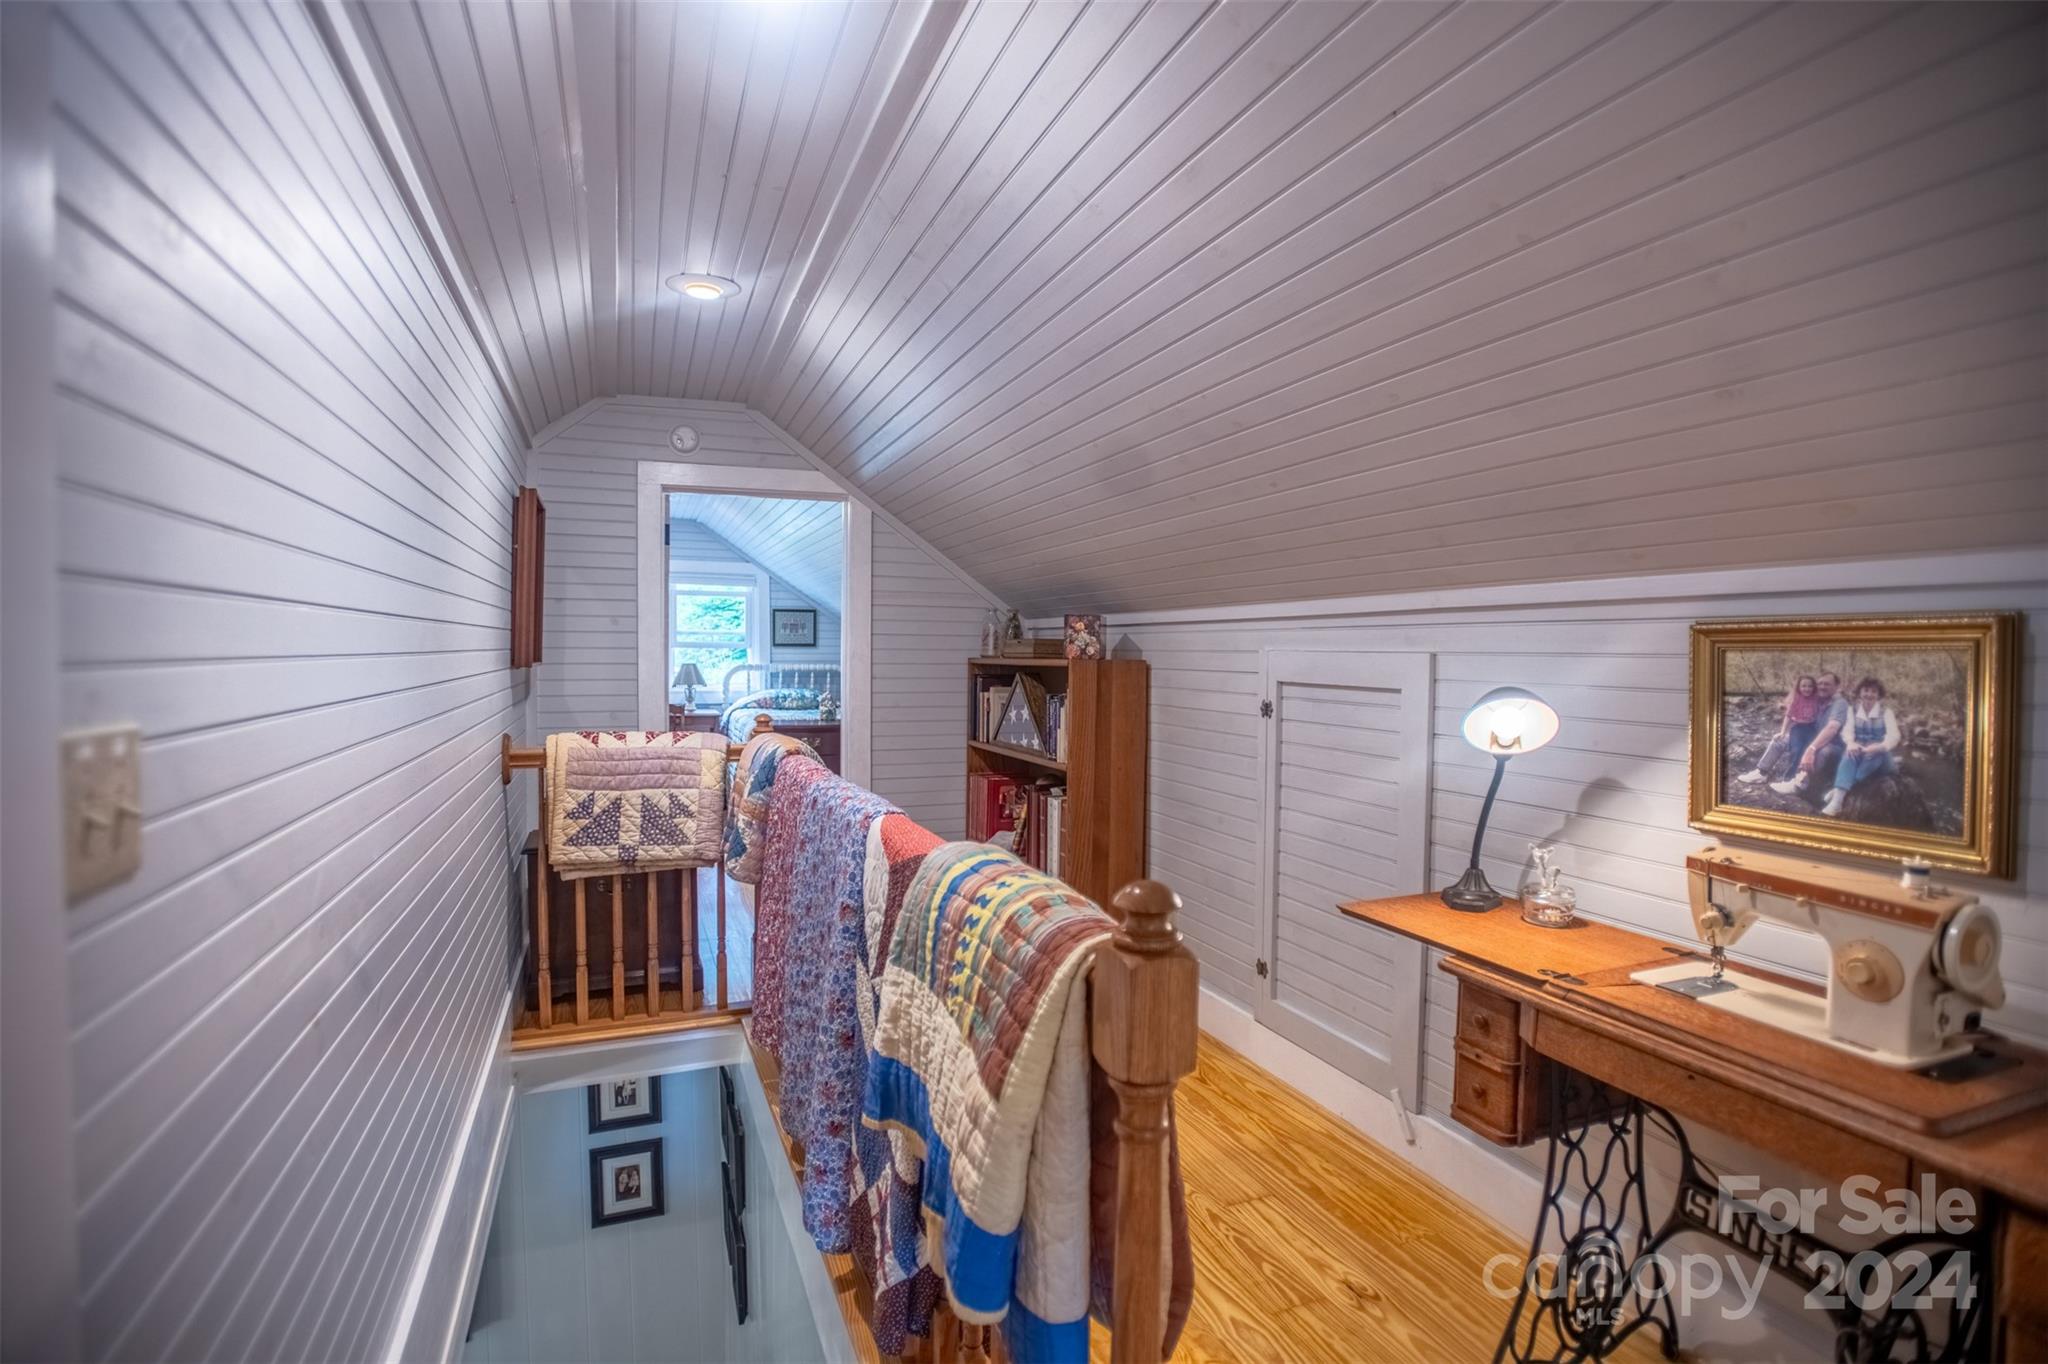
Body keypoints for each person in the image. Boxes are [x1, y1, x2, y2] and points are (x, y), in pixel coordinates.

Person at [1820, 676, 1901, 817]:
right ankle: (1837, 802)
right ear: (1860, 693)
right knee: (1849, 753)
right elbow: (1847, 731)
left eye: (1874, 691)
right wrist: (1851, 743)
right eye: (1866, 690)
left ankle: (1839, 790)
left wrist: (1879, 746)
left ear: (1879, 695)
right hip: (1861, 751)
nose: (1869, 694)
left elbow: (1894, 736)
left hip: (1881, 758)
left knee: (1875, 753)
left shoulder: (1886, 712)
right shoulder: (1852, 710)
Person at [1771, 672, 1848, 799]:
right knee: (1783, 740)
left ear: (1836, 686)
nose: (1822, 687)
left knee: (1821, 751)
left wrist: (1811, 749)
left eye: (1827, 684)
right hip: (1819, 739)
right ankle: (1762, 770)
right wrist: (1785, 725)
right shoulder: (1820, 701)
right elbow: (1798, 704)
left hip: (1836, 746)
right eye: (1820, 684)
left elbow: (1832, 728)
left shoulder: (1840, 703)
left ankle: (1799, 785)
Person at [1735, 675, 1822, 784]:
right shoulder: (1796, 699)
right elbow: (1788, 716)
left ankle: (1790, 779)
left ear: (1814, 688)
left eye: (1810, 686)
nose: (1807, 688)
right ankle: (1762, 772)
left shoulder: (1817, 700)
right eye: (1803, 686)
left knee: (1798, 750)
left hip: (1813, 731)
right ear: (1798, 687)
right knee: (1779, 741)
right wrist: (1782, 732)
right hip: (1798, 728)